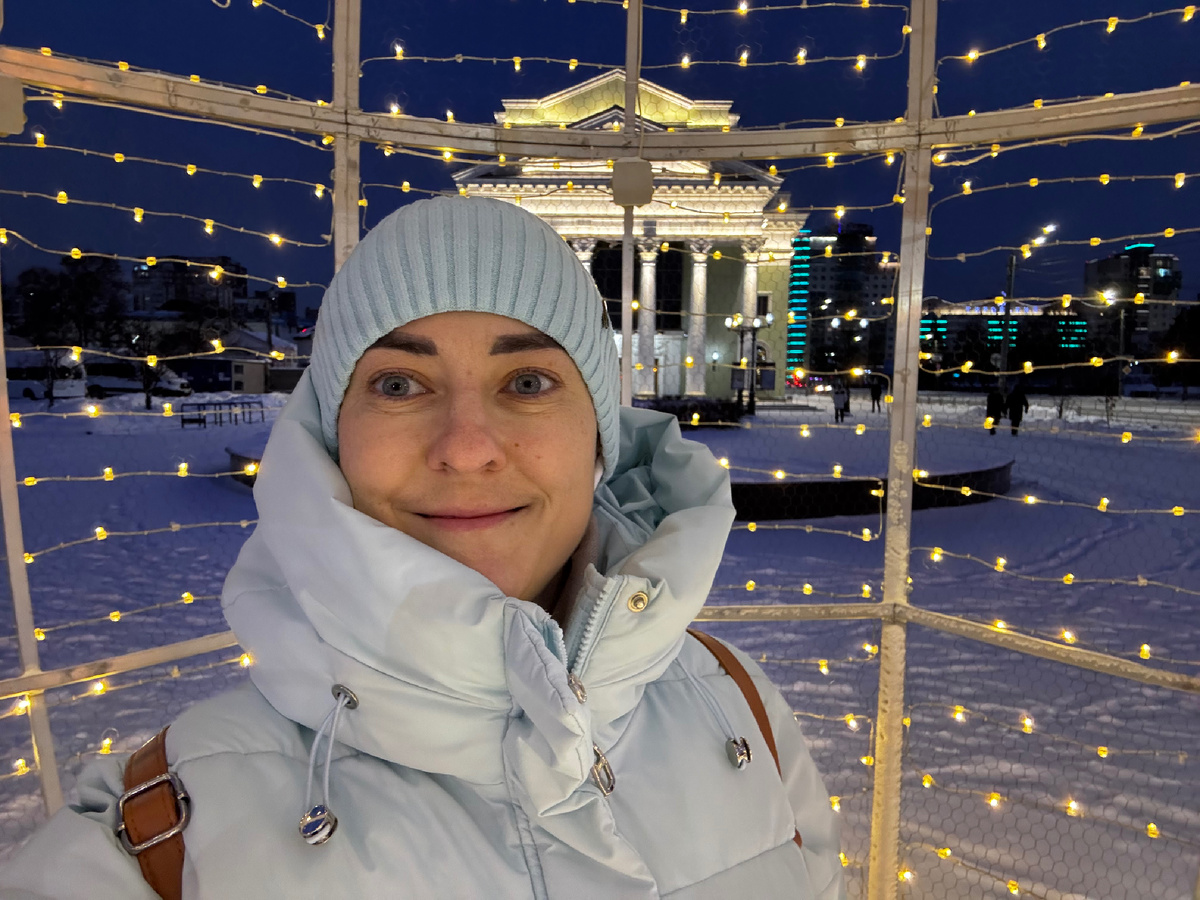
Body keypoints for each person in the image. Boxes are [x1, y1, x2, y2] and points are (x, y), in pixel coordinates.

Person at [0, 198, 845, 899]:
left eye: (529, 381)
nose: (467, 448)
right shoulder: (160, 841)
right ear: (331, 438)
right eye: (399, 384)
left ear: (600, 436)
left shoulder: (742, 705)